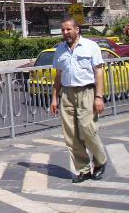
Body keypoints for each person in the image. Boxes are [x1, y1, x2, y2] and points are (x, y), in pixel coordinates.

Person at [51, 17, 107, 183]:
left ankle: (100, 161)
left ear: (77, 29)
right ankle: (83, 169)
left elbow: (99, 72)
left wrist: (99, 96)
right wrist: (54, 98)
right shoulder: (60, 50)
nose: (65, 33)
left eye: (68, 29)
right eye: (63, 30)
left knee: (87, 129)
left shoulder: (90, 46)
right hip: (67, 94)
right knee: (71, 135)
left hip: (87, 92)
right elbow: (58, 76)